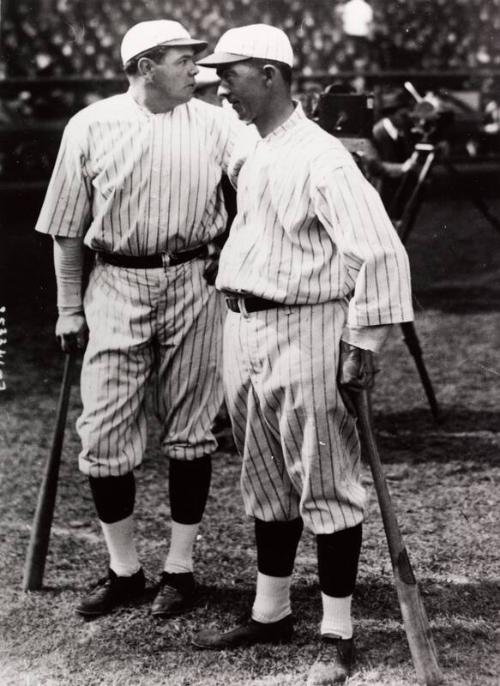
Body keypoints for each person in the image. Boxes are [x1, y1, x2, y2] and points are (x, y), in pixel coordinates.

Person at [193, 25, 414, 685]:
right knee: (263, 475)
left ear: (268, 72)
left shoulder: (322, 156)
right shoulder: (255, 146)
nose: (220, 85)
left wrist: (363, 343)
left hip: (307, 326)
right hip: (243, 325)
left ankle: (336, 631)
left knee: (324, 482)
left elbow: (380, 252)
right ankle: (271, 610)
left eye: (230, 73)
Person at [35, 19, 249, 620]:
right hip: (115, 281)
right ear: (147, 65)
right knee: (103, 436)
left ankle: (179, 569)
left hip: (191, 280)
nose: (197, 70)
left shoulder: (216, 122)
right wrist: (68, 307)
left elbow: (263, 182)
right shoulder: (91, 124)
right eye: (185, 59)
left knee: (190, 431)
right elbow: (66, 228)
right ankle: (124, 570)